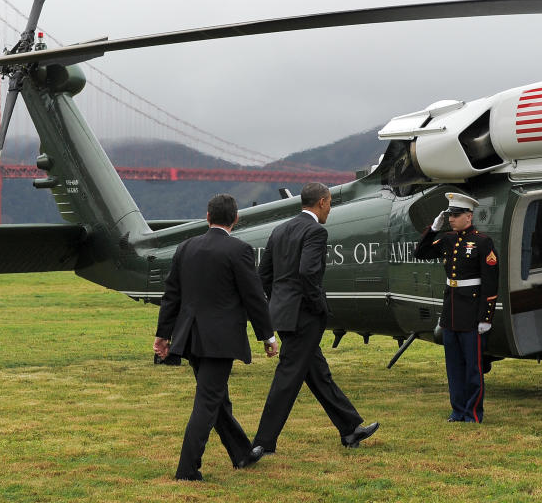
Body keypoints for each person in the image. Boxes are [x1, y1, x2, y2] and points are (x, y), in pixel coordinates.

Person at [245, 182, 379, 466]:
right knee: (287, 378)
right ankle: (262, 442)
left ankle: (350, 429)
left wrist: (277, 303)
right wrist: (318, 306)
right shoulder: (316, 231)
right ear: (321, 202)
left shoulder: (280, 229)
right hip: (304, 315)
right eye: (329, 203)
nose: (330, 208)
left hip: (283, 314)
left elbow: (263, 276)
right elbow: (308, 273)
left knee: (317, 373)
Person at [154, 193, 278, 482]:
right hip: (220, 341)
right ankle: (187, 470)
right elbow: (254, 298)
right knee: (208, 402)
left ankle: (242, 454)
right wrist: (268, 336)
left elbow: (171, 295)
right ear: (236, 219)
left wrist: (163, 335)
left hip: (191, 338)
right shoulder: (240, 250)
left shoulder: (185, 248)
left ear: (207, 217)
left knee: (217, 399)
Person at [413, 192, 498, 423]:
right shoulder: (448, 240)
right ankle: (457, 410)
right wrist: (433, 229)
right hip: (451, 312)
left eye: (456, 215)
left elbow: (490, 281)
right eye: (450, 215)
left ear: (469, 216)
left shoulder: (482, 242)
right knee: (454, 367)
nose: (451, 219)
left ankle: (472, 412)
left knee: (473, 368)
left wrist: (486, 317)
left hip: (472, 313)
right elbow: (420, 253)